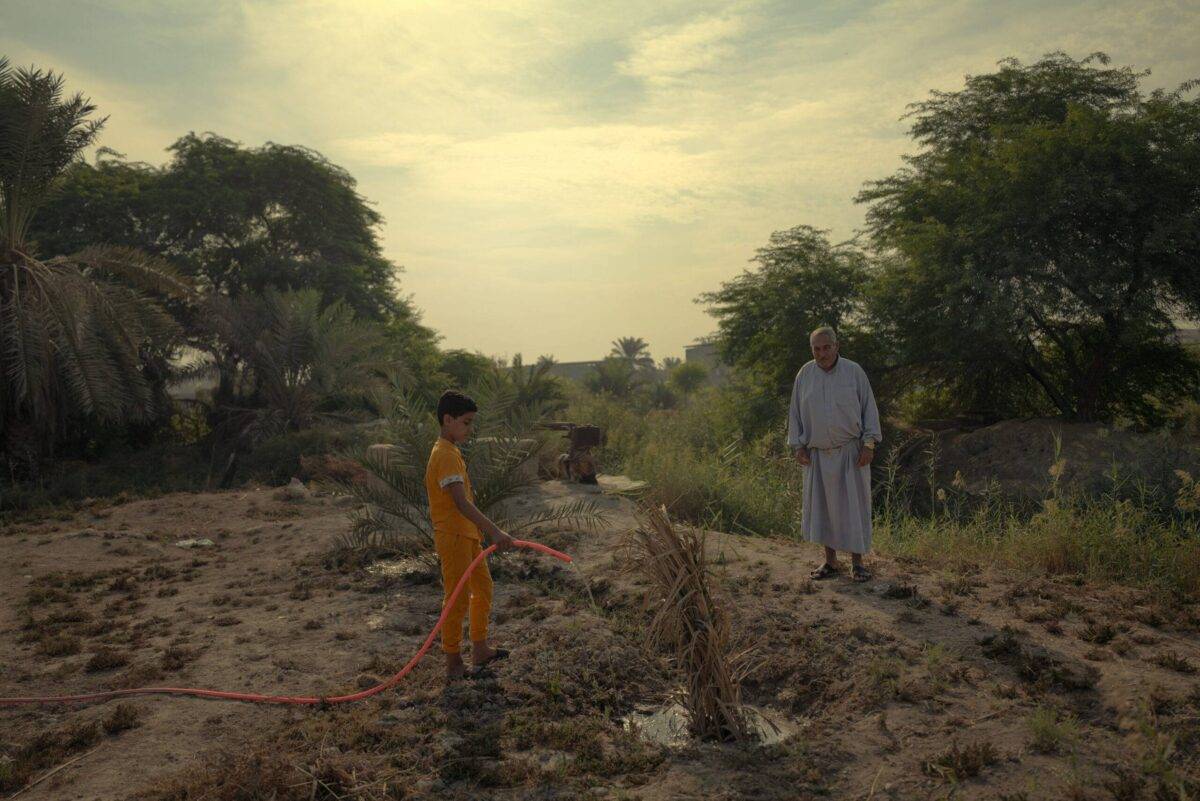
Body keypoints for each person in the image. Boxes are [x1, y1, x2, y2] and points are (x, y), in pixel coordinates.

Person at [425, 389, 516, 679]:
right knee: (457, 598)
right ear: (448, 419)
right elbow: (460, 503)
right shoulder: (445, 455)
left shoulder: (451, 452)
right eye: (466, 422)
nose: (469, 428)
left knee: (483, 588)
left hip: (468, 536)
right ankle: (453, 661)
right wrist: (496, 531)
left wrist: (481, 532)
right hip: (453, 537)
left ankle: (479, 648)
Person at [787, 326, 882, 582]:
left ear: (836, 346)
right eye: (816, 349)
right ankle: (829, 562)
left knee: (854, 508)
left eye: (826, 347)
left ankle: (858, 563)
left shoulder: (854, 372)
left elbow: (869, 409)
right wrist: (798, 446)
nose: (822, 353)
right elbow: (795, 412)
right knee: (824, 509)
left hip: (851, 452)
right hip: (818, 454)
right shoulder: (805, 375)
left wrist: (869, 445)